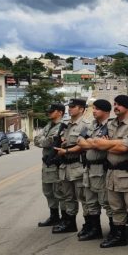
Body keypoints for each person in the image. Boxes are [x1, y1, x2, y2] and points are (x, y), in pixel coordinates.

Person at [88, 94, 128, 250]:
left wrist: (107, 143)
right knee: (116, 208)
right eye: (114, 104)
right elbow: (96, 143)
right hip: (112, 173)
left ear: (127, 107)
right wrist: (107, 144)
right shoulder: (111, 123)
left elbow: (124, 147)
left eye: (119, 104)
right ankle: (119, 236)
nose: (115, 107)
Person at [52, 98, 89, 234]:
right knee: (68, 197)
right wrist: (62, 145)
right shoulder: (66, 125)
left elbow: (84, 145)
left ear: (81, 109)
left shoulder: (86, 124)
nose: (70, 108)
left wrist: (66, 150)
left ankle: (89, 225)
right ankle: (70, 223)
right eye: (70, 106)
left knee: (84, 197)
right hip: (65, 167)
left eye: (73, 107)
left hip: (77, 165)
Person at [76, 99, 111, 241]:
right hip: (89, 168)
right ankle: (95, 229)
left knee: (106, 202)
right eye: (93, 108)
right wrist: (93, 143)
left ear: (105, 111)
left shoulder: (110, 126)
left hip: (102, 169)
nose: (94, 111)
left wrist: (91, 142)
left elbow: (105, 145)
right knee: (90, 201)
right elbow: (80, 140)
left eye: (96, 108)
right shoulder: (91, 125)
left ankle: (115, 231)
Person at [34, 102, 66, 228]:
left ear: (60, 112)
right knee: (48, 192)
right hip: (46, 164)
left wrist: (45, 140)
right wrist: (46, 140)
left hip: (56, 164)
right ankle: (54, 216)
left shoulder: (63, 126)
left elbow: (49, 142)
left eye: (52, 111)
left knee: (59, 192)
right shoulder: (48, 126)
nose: (49, 113)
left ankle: (65, 218)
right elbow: (38, 140)